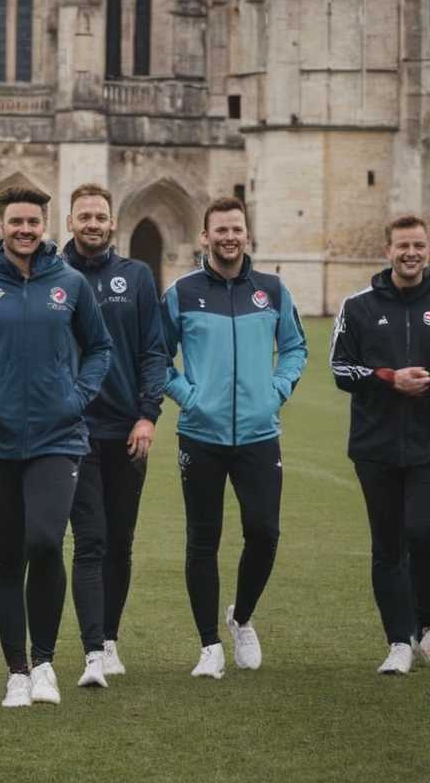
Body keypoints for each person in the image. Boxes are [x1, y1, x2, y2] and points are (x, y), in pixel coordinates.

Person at [0, 188, 112, 708]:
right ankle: (17, 670)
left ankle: (47, 662)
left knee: (46, 543)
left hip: (58, 437)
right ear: (1, 225)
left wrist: (78, 397)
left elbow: (99, 347)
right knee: (7, 557)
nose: (25, 230)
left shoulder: (69, 283)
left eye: (33, 221)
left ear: (45, 224)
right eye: (15, 222)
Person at [161, 196, 307, 679]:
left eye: (236, 229)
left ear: (247, 234)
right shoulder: (181, 292)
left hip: (259, 433)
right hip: (200, 434)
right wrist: (188, 397)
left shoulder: (272, 290)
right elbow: (156, 358)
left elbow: (295, 348)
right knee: (202, 539)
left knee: (264, 533)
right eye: (219, 229)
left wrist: (277, 389)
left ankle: (240, 618)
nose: (229, 237)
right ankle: (209, 645)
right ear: (204, 237)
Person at [61, 184, 167, 687]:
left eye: (101, 216)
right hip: (74, 429)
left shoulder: (137, 277)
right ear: (70, 222)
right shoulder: (53, 277)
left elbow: (153, 351)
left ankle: (110, 640)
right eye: (85, 216)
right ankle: (91, 653)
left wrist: (148, 415)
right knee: (91, 539)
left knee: (120, 541)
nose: (93, 223)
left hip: (127, 430)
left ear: (112, 223)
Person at [330, 214, 430, 674]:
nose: (411, 253)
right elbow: (340, 369)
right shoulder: (359, 307)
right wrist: (390, 378)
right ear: (387, 250)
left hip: (427, 445)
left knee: (422, 532)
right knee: (388, 545)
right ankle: (398, 642)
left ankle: (426, 630)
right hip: (376, 446)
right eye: (403, 246)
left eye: (419, 246)